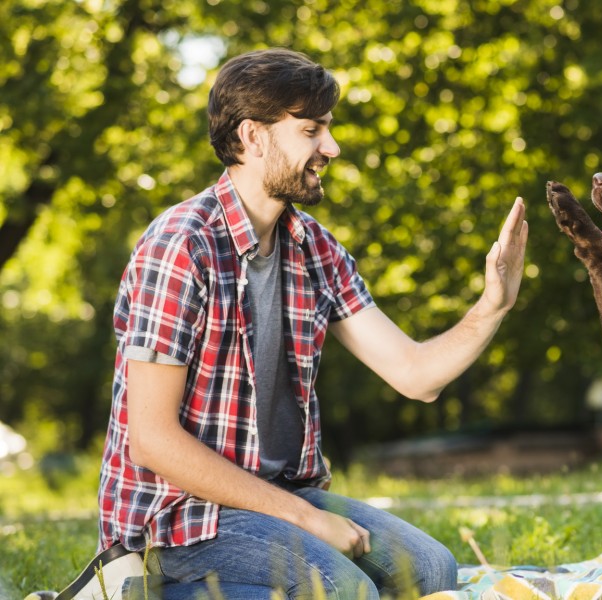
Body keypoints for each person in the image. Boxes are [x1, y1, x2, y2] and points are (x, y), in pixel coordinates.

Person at [89, 47, 528, 599]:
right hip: (179, 518)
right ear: (253, 137)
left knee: (432, 572)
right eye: (311, 130)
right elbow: (151, 440)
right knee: (344, 591)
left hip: (274, 495)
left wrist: (492, 306)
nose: (332, 147)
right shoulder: (181, 247)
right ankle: (139, 591)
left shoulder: (313, 247)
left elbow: (416, 375)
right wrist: (303, 518)